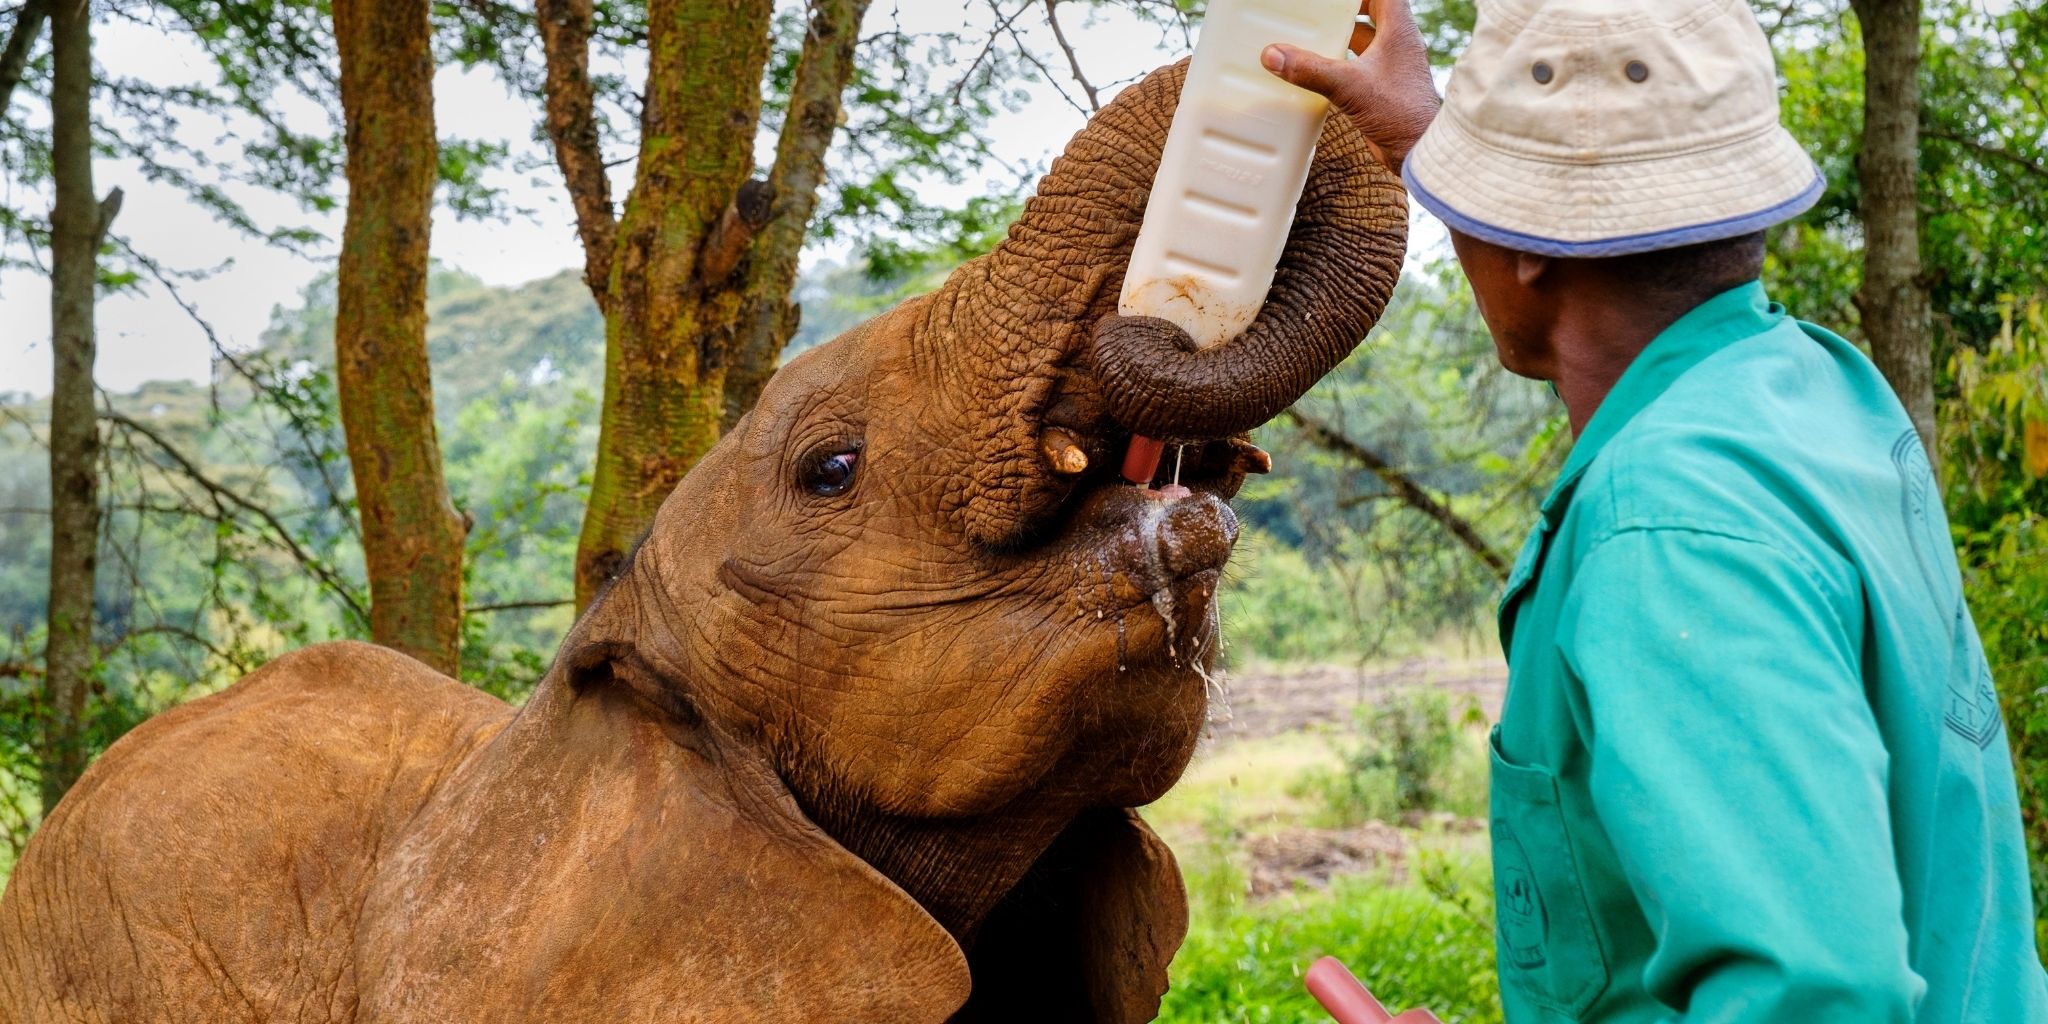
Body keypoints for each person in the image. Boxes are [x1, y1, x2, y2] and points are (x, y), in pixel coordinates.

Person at [1259, 1, 2048, 1021]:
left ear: (1531, 247)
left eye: (1474, 204)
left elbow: (1816, 997)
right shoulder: (1814, 393)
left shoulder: (1666, 528)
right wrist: (1456, 149)